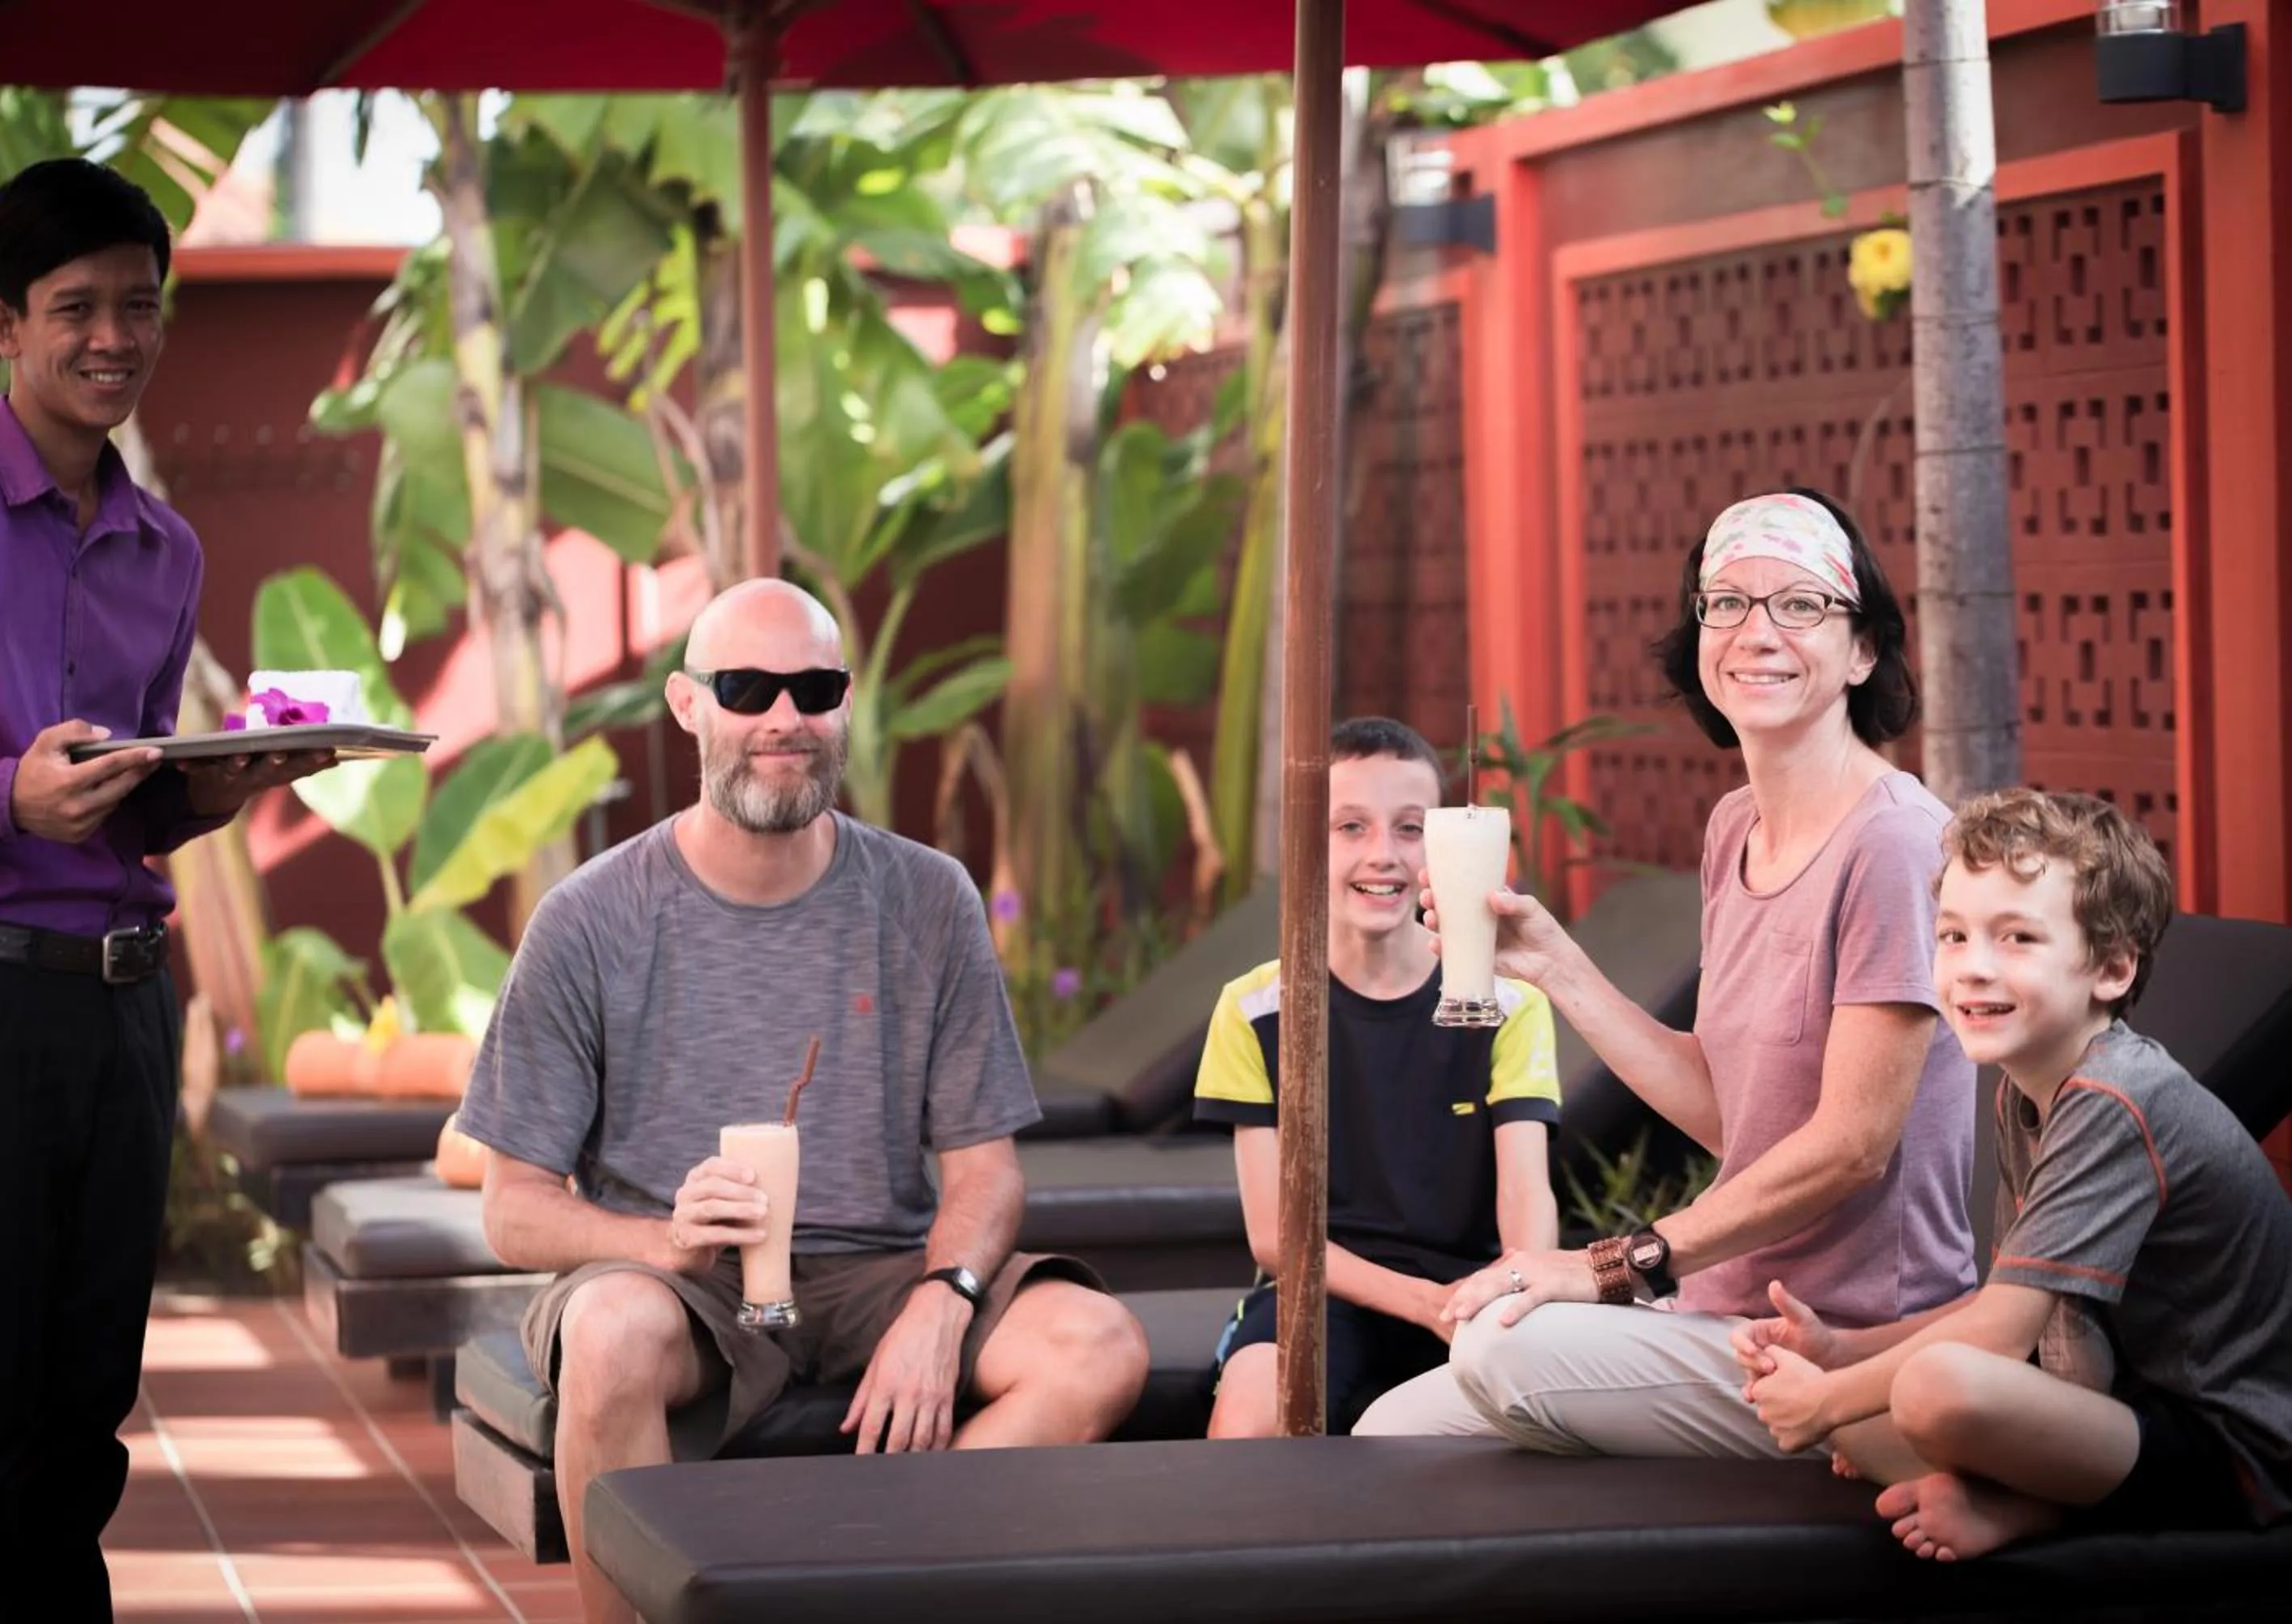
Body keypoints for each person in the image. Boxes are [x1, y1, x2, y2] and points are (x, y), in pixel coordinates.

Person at [455, 577, 1151, 1624]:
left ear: (844, 701)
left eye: (813, 689)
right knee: (607, 1333)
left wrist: (943, 1299)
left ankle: (883, 1580)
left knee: (1097, 1346)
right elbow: (512, 1206)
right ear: (688, 704)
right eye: (747, 688)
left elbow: (986, 1170)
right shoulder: (590, 919)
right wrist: (662, 1240)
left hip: (882, 1270)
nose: (784, 717)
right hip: (685, 1287)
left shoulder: (927, 898)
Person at [0, 158, 330, 1621]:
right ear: (4, 323)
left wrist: (214, 791)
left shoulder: (167, 549)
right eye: (76, 308)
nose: (115, 337)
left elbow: (129, 809)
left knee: (84, 1422)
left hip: (127, 1014)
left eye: (141, 305)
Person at [1355, 486, 1978, 1456]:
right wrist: (1556, 965)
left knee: (1499, 1348)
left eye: (1800, 603)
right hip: (1717, 1312)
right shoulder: (1736, 826)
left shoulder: (1894, 843)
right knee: (1387, 1432)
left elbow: (1852, 1147)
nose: (1757, 631)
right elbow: (1736, 1118)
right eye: (1727, 603)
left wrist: (1613, 1264)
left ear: (1863, 650)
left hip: (1839, 1344)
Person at [1735, 788, 2292, 1558]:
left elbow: (1998, 1333)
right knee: (1869, 1421)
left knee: (1929, 1390)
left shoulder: (2115, 1099)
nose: (1973, 968)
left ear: (2112, 968)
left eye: (2018, 938)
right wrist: (1842, 1353)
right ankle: (2004, 1491)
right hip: (2119, 1407)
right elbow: (2007, 1300)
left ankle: (2040, 1510)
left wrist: (1825, 1399)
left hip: (2236, 1449)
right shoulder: (2028, 1089)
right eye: (1953, 936)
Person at [1193, 717, 1560, 1436]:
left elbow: (1526, 1194)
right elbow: (1274, 1237)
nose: (1383, 854)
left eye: (1411, 828)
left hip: (1476, 1290)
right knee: (1251, 1417)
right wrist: (1422, 1303)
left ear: (1445, 844)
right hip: (1321, 1290)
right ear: (1307, 843)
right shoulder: (1253, 1008)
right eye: (1351, 827)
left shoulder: (1509, 1004)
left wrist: (1514, 1289)